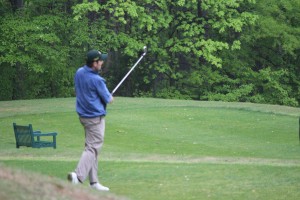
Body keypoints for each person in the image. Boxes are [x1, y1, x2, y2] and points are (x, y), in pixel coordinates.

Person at [68, 50, 113, 191]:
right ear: (94, 63)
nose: (102, 63)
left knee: (92, 147)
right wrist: (109, 96)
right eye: (100, 61)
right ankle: (78, 176)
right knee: (93, 148)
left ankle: (94, 182)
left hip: (83, 116)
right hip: (94, 118)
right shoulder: (97, 80)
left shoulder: (79, 72)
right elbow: (109, 99)